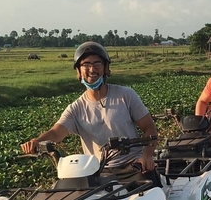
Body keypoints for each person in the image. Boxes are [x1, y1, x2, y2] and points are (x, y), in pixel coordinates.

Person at [21, 41, 158, 175]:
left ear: (105, 68)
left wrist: (147, 156)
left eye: (97, 63)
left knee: (150, 191)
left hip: (134, 165)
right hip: (99, 171)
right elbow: (56, 132)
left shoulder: (125, 95)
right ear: (79, 71)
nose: (92, 69)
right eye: (86, 64)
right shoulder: (76, 109)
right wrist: (37, 141)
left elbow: (149, 128)